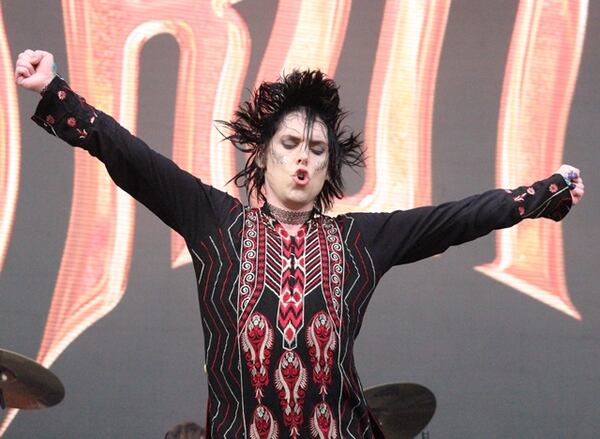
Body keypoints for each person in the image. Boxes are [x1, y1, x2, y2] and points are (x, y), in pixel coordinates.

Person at [15, 49, 584, 438]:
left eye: (317, 148)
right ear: (262, 155)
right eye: (289, 143)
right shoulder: (218, 224)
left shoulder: (359, 241)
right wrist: (54, 90)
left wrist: (539, 195)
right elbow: (132, 159)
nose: (304, 157)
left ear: (330, 165)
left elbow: (452, 220)